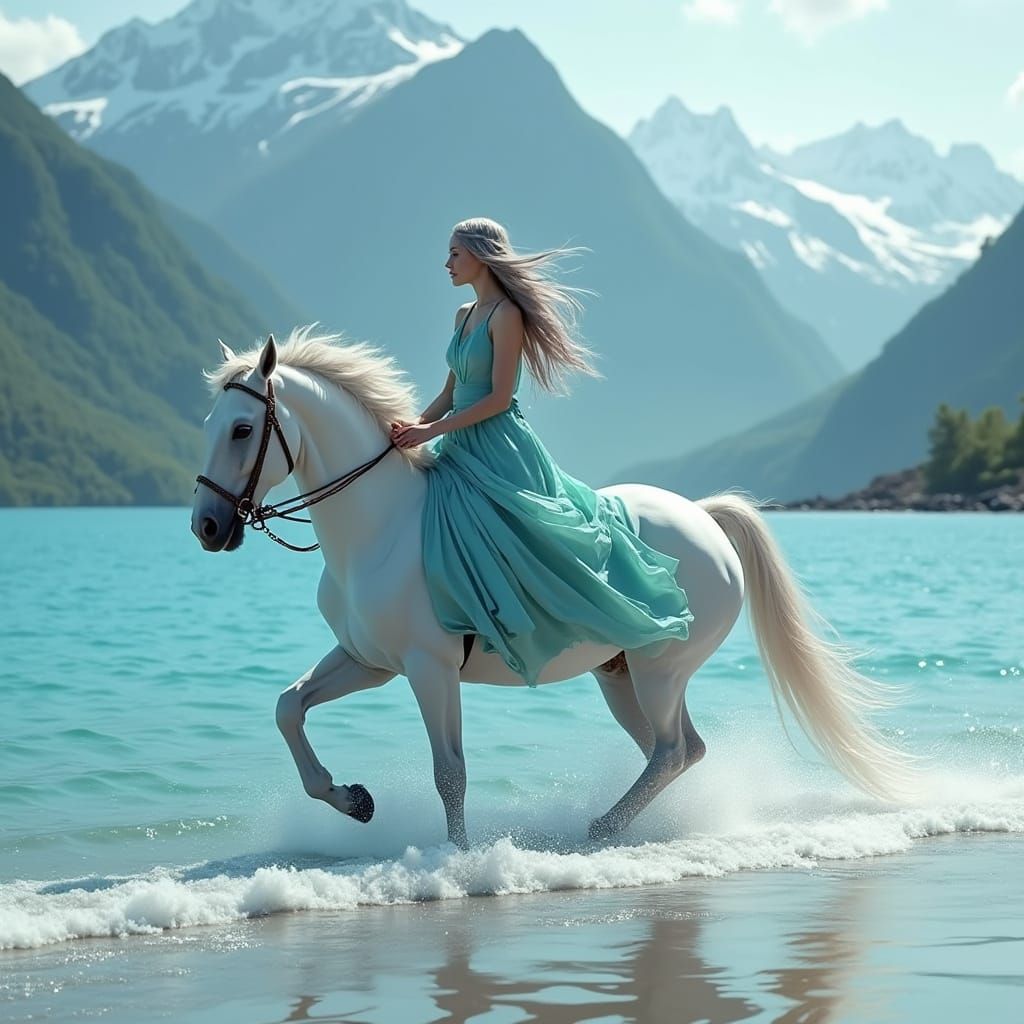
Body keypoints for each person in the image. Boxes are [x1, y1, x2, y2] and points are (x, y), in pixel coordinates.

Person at [389, 217, 693, 686]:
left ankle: (568, 628)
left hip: (499, 442)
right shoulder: (462, 316)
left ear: (480, 256)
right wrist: (416, 424)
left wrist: (432, 432)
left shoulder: (506, 315)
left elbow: (496, 397)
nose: (446, 262)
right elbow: (452, 390)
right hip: (457, 437)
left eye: (455, 253)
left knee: (525, 535)